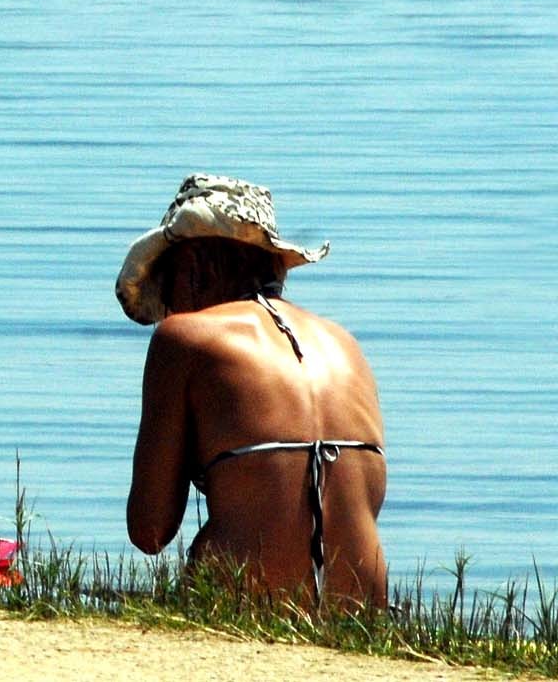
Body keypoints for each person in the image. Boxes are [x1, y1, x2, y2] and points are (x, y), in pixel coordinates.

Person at [119, 174, 386, 610]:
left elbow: (149, 529)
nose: (169, 309)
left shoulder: (182, 338)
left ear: (197, 268)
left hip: (249, 606)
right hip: (359, 613)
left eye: (167, 288)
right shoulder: (345, 345)